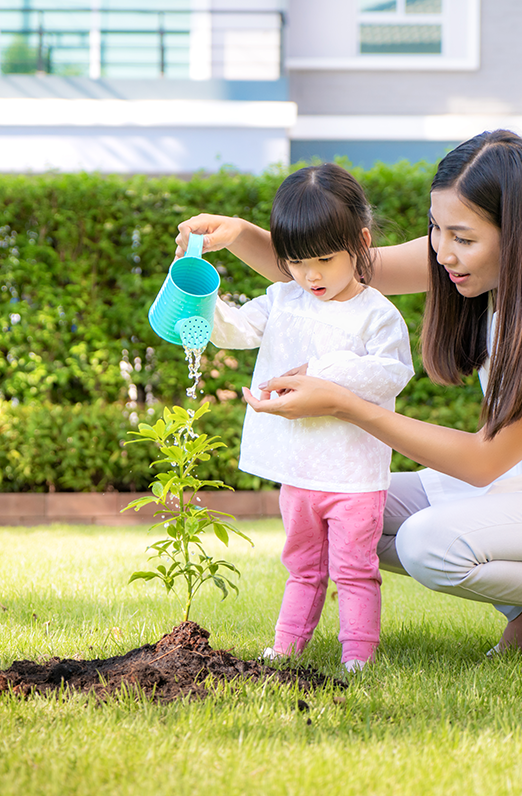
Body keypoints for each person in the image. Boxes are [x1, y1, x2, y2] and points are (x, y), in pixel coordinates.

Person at [177, 130, 522, 662]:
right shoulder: (465, 261)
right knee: (356, 506)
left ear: (520, 234)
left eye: (463, 237)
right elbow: (328, 276)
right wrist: (239, 233)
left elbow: (484, 460)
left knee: (428, 543)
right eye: (435, 229)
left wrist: (342, 402)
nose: (443, 252)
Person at [206, 163, 414, 671]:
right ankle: (286, 645)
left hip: (354, 474)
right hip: (299, 471)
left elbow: (392, 372)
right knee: (301, 566)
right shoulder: (282, 299)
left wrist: (319, 373)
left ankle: (358, 656)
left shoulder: (376, 313)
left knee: (355, 570)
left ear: (360, 243)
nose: (311, 276)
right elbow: (233, 330)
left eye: (324, 259)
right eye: (296, 262)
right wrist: (201, 300)